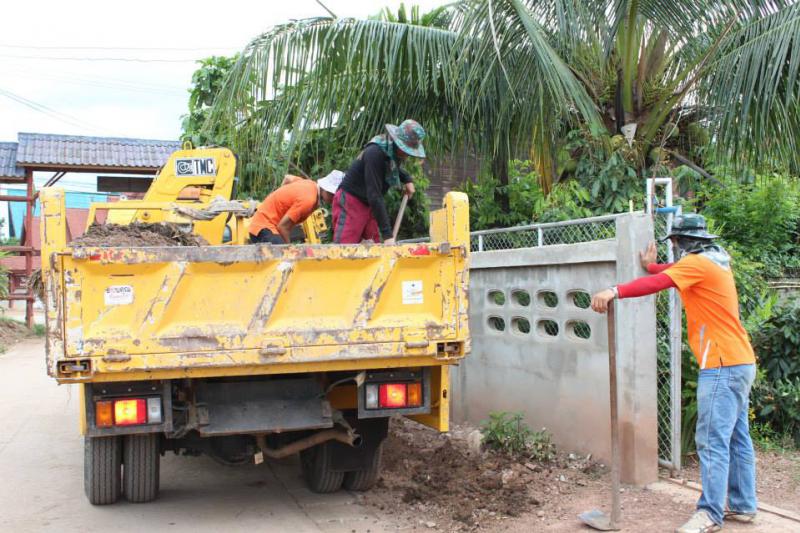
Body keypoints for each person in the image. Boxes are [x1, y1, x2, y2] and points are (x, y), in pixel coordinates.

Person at [591, 214, 757, 533]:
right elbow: (669, 272)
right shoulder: (715, 260)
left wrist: (614, 290)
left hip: (721, 364)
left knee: (711, 440)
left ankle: (709, 514)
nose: (676, 247)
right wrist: (652, 265)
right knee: (737, 437)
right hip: (741, 361)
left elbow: (658, 283)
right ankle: (743, 504)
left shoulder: (697, 264)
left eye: (677, 242)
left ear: (683, 242)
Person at [333, 119, 426, 245]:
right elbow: (375, 195)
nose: (408, 155)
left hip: (368, 204)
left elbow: (392, 167)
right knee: (345, 248)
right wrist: (388, 235)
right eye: (406, 150)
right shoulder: (374, 153)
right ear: (397, 142)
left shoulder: (391, 152)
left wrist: (407, 179)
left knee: (374, 246)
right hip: (352, 200)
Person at [248, 170, 343, 244]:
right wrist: (289, 249)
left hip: (266, 225)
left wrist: (279, 196)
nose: (335, 199)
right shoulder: (308, 201)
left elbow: (288, 178)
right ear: (326, 190)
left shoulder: (309, 184)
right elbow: (283, 227)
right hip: (263, 228)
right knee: (285, 257)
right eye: (333, 195)